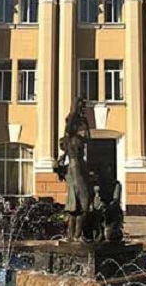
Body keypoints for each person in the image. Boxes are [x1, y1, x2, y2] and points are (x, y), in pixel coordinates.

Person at [57, 98, 92, 242]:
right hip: (76, 167)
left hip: (76, 167)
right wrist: (84, 122)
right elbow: (87, 138)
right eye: (82, 106)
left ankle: (71, 236)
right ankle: (76, 236)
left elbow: (88, 138)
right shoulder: (73, 139)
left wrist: (85, 123)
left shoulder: (73, 140)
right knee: (84, 202)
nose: (84, 109)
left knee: (74, 205)